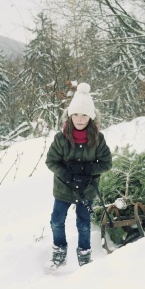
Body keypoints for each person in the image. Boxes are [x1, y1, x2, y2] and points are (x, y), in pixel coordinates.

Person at [44, 82, 112, 270]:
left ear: (90, 117)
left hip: (86, 189)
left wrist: (87, 170)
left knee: (83, 223)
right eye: (76, 114)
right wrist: (68, 174)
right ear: (70, 115)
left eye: (84, 115)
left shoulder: (98, 138)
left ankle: (84, 256)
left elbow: (106, 163)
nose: (80, 119)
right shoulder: (61, 138)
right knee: (56, 220)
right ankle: (59, 252)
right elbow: (51, 161)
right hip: (63, 188)